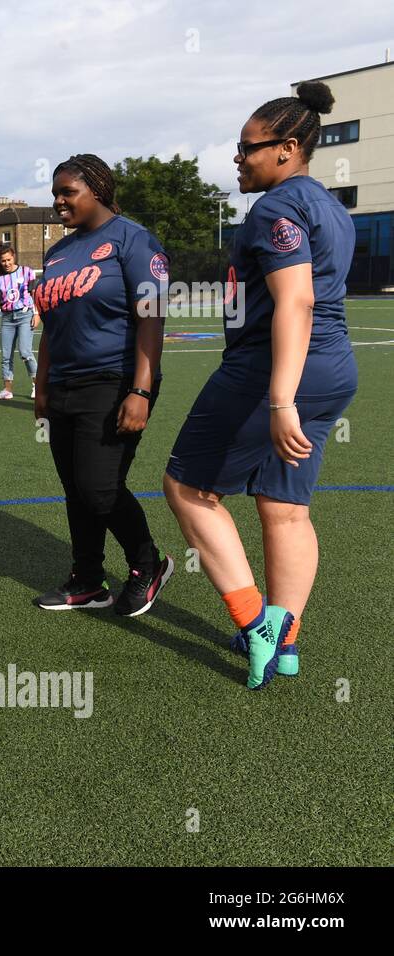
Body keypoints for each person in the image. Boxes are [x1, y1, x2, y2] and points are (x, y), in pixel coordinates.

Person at [164, 81, 355, 690]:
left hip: (272, 371)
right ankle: (286, 639)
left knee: (187, 487)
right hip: (333, 368)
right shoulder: (331, 207)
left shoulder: (274, 210)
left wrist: (280, 399)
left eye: (248, 148)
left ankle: (256, 628)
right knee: (286, 508)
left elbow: (295, 301)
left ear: (287, 148)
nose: (238, 159)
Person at [32, 153, 173, 617]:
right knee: (75, 489)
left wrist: (141, 391)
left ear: (97, 189)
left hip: (114, 381)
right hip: (66, 385)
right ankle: (88, 579)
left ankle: (146, 564)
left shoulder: (133, 240)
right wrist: (42, 386)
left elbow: (151, 319)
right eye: (55, 193)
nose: (58, 201)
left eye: (67, 192)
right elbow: (51, 326)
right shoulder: (57, 253)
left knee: (99, 487)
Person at [0, 243, 39, 400]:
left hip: (25, 315)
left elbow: (35, 294)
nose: (7, 263)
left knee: (25, 351)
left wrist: (37, 314)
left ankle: (38, 386)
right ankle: (7, 390)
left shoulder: (27, 272)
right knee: (6, 356)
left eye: (9, 260)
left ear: (14, 256)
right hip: (7, 319)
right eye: (3, 261)